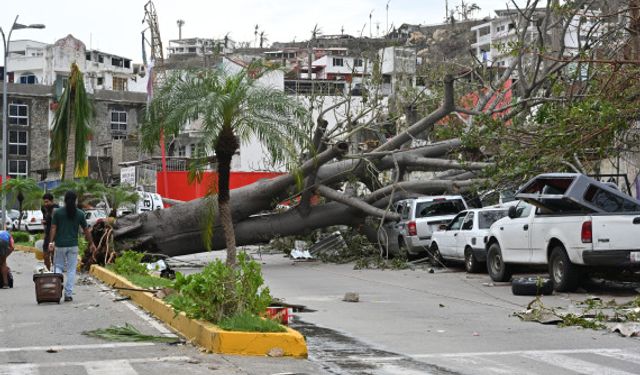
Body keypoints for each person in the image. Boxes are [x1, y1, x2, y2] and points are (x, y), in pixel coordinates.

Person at [49, 191, 96, 302]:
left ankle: (57, 289)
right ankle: (68, 294)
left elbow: (53, 228)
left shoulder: (58, 212)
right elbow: (86, 230)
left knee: (58, 267)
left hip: (60, 245)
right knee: (71, 270)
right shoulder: (80, 213)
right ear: (75, 200)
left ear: (65, 200)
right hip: (73, 246)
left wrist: (51, 242)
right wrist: (92, 243)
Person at [41, 192, 59, 271]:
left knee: (54, 254)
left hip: (56, 235)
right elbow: (47, 222)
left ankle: (56, 271)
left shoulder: (56, 209)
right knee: (45, 254)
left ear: (52, 201)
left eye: (47, 202)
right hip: (48, 234)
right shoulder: (44, 209)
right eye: (44, 202)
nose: (45, 203)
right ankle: (48, 272)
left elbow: (56, 224)